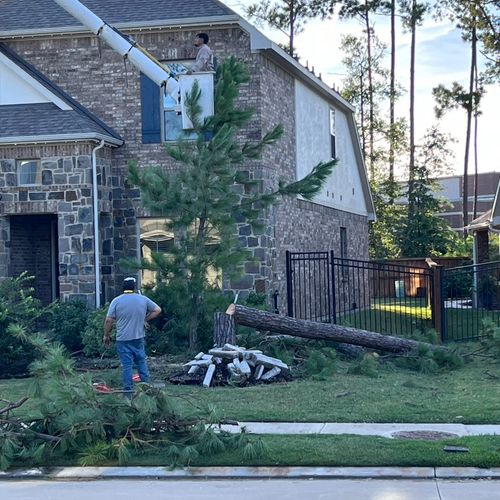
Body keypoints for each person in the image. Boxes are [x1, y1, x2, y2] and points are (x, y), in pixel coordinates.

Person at [103, 277, 161, 395]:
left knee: (127, 366)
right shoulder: (143, 299)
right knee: (141, 362)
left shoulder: (116, 301)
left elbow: (109, 320)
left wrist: (106, 335)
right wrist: (144, 319)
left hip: (123, 339)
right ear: (134, 287)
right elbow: (157, 310)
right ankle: (148, 389)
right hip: (138, 337)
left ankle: (128, 393)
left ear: (123, 287)